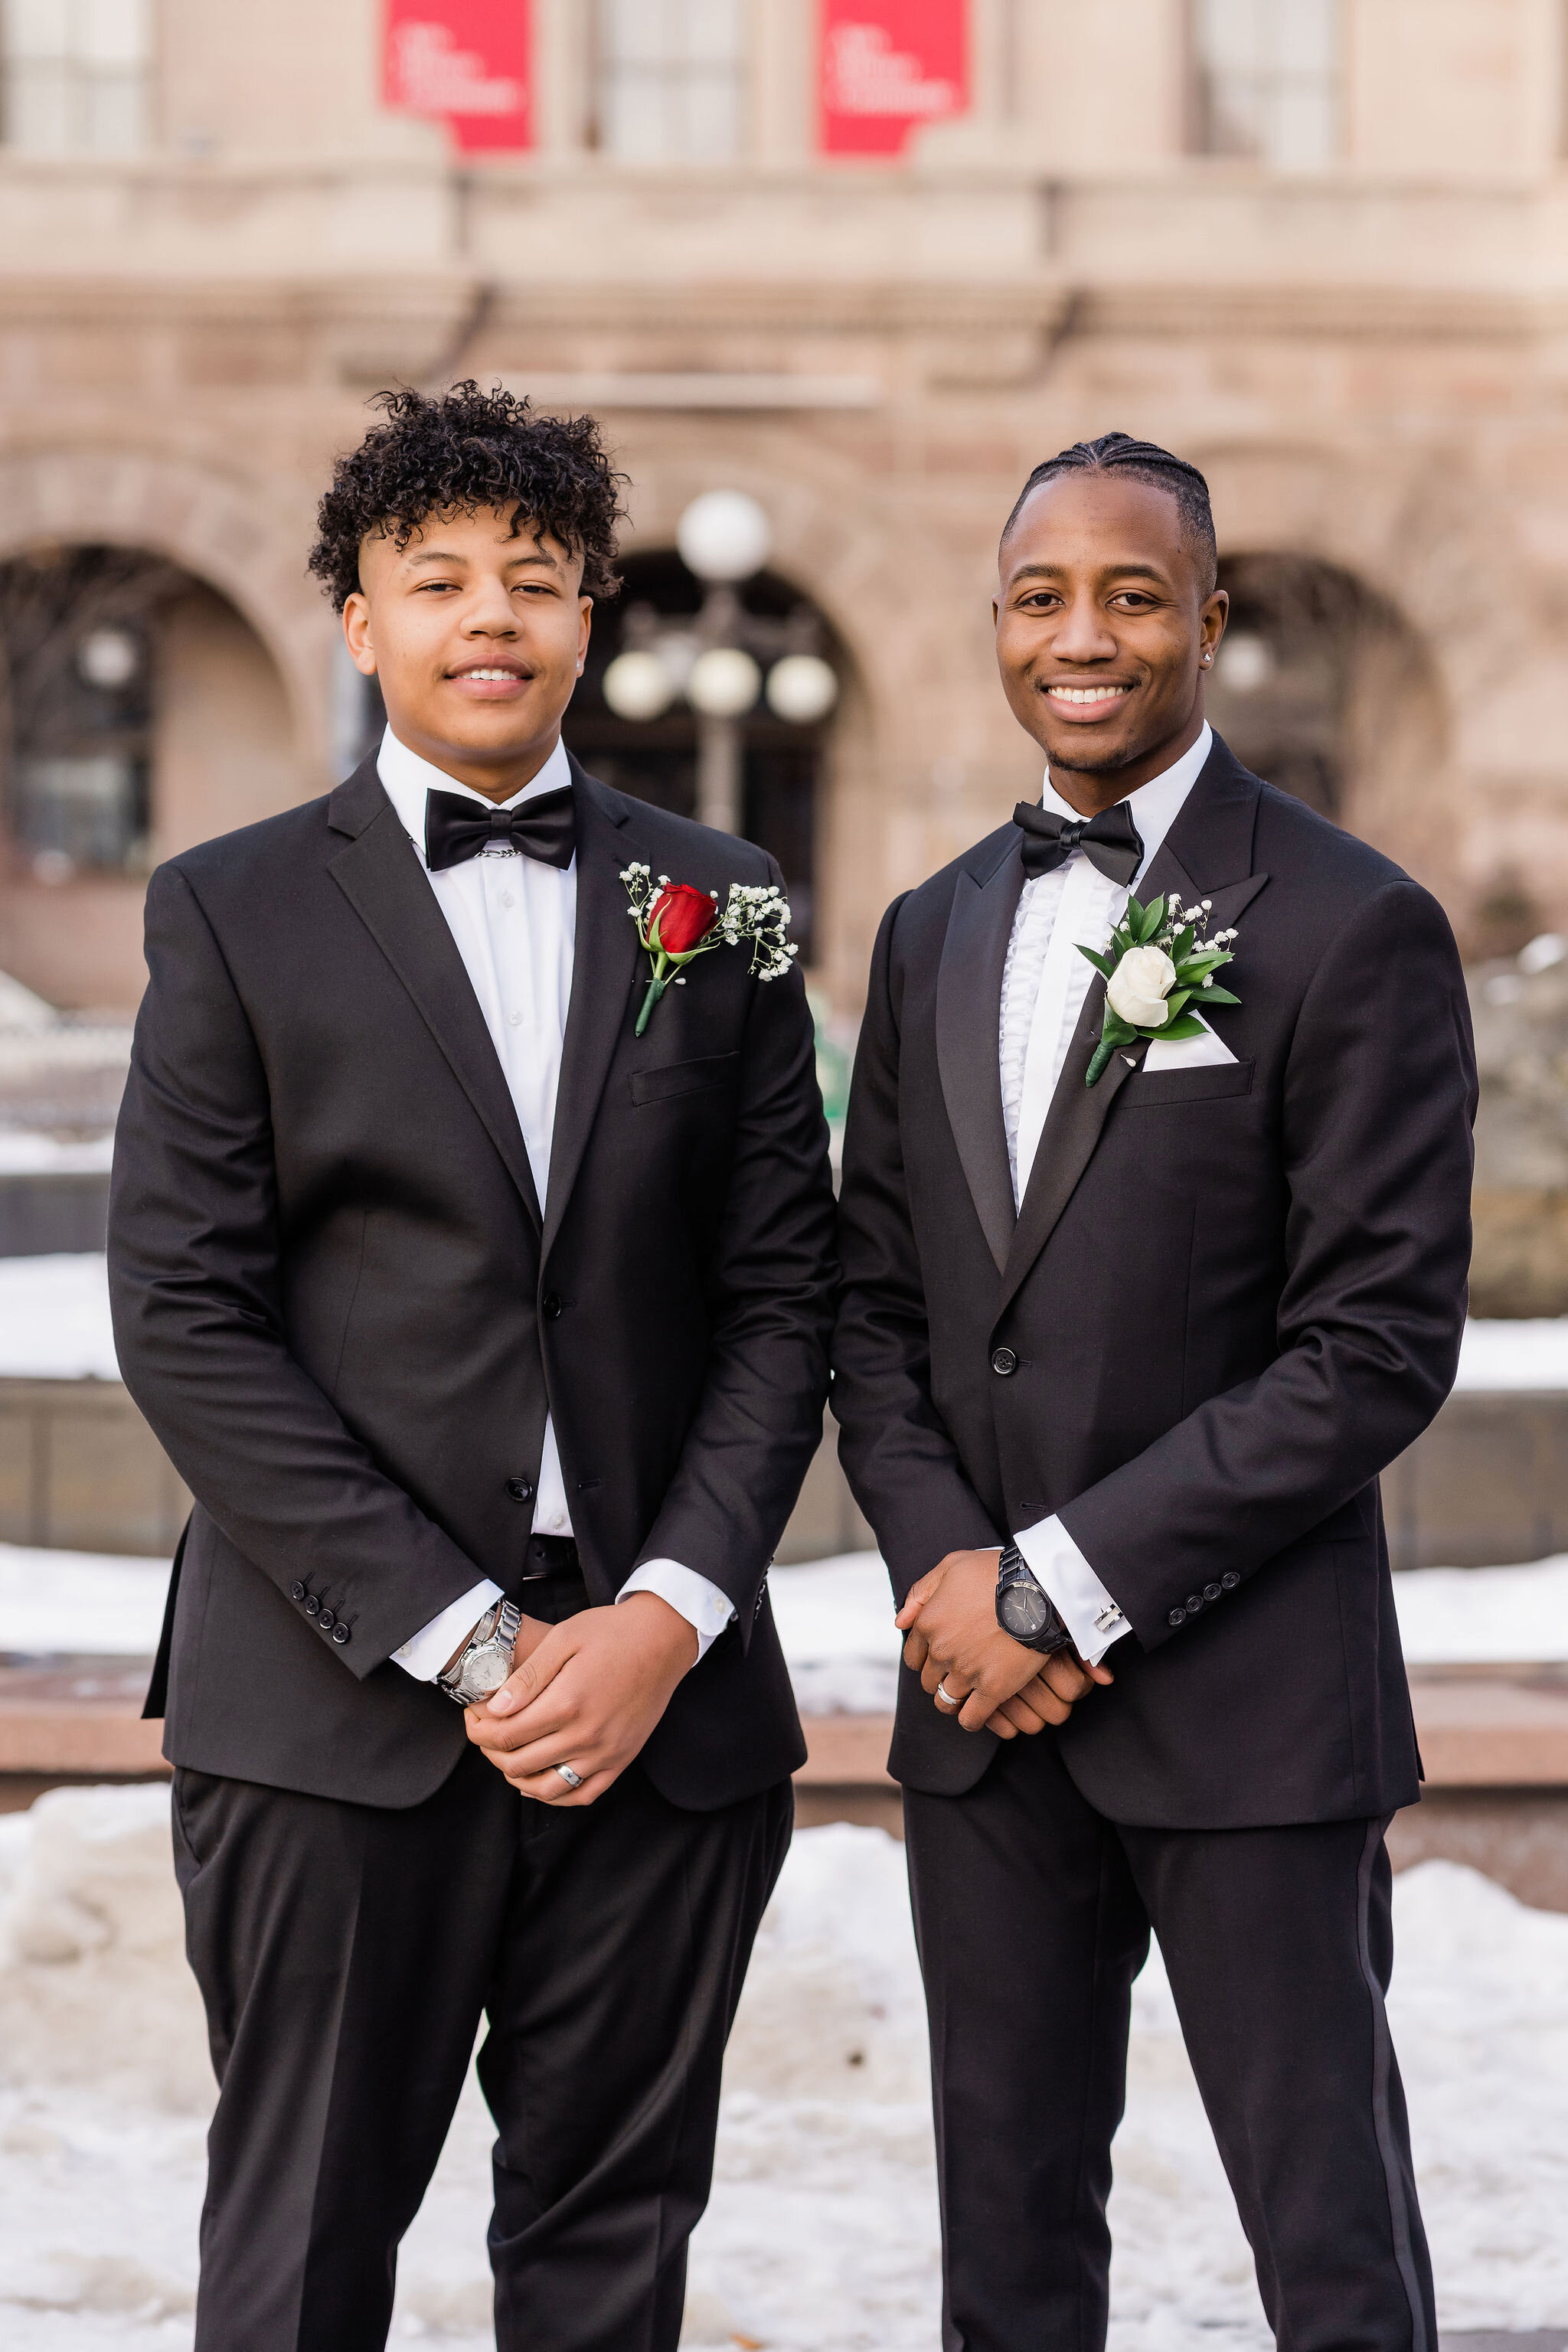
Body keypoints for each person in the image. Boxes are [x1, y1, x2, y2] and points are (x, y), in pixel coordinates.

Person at [108, 381, 836, 2352]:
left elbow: (785, 1297)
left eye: (534, 577)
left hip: (661, 1718)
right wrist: (471, 1638)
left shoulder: (722, 901)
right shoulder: (233, 908)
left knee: (609, 2262)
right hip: (339, 1701)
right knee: (298, 2266)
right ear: (359, 620)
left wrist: (668, 1613)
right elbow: (183, 1312)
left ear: (592, 614)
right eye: (435, 578)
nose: (488, 615)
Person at [832, 431, 1475, 2352]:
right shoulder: (928, 926)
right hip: (981, 1726)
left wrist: (1062, 1588)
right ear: (997, 628)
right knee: (1009, 2258)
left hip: (1251, 1712)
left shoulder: (1348, 922)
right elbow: (872, 1307)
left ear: (1211, 619)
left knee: (1330, 2252)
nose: (1081, 635)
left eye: (1131, 592)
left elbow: (1374, 1343)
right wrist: (958, 1582)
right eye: (1040, 596)